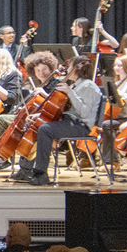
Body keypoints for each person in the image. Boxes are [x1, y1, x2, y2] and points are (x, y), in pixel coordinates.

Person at [16, 55, 101, 186]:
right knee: (38, 124)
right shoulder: (76, 85)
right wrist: (39, 116)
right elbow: (64, 110)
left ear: (77, 69)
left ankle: (41, 174)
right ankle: (26, 169)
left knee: (45, 129)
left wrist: (70, 93)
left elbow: (84, 112)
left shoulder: (88, 86)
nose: (67, 70)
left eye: (70, 68)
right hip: (70, 121)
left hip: (81, 126)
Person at [99, 55, 127, 173]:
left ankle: (114, 161)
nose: (116, 68)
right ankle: (108, 160)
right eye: (115, 65)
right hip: (118, 117)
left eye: (120, 65)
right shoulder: (117, 83)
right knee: (104, 123)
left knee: (107, 125)